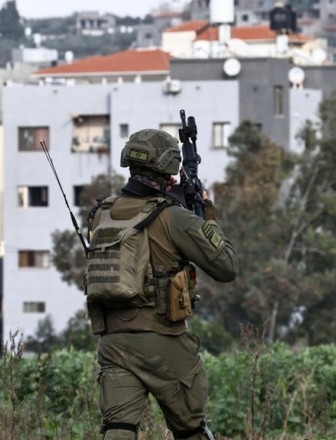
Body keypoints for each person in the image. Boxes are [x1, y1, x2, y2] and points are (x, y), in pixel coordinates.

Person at [85, 129, 238, 440]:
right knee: (191, 430)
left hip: (113, 342)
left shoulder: (102, 214)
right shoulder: (174, 217)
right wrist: (207, 214)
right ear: (169, 169)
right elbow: (226, 267)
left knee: (118, 429)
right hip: (163, 340)